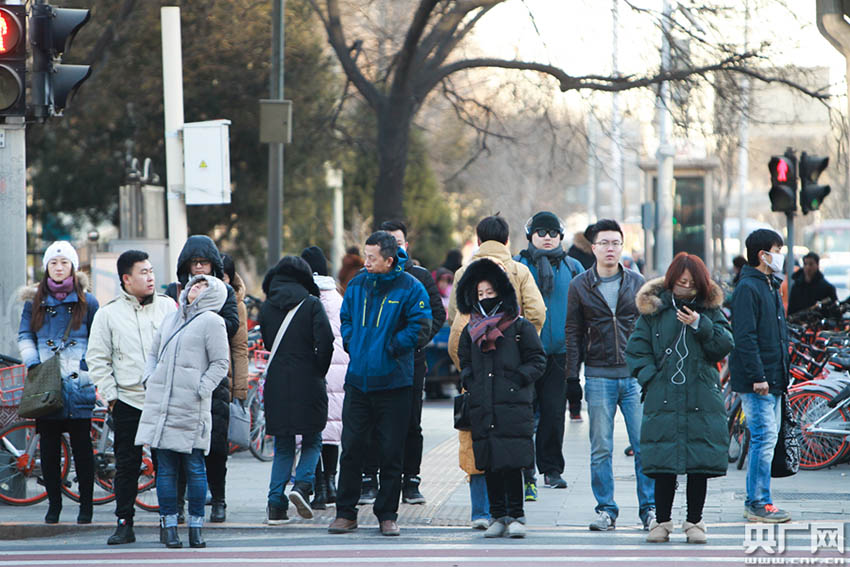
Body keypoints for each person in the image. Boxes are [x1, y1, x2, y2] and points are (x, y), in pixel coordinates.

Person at [328, 231, 432, 537]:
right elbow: (345, 318)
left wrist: (392, 346)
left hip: (395, 383)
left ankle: (387, 514)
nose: (367, 262)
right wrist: (352, 341)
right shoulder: (358, 283)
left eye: (372, 257)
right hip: (358, 381)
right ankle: (345, 513)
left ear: (389, 259)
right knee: (352, 448)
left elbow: (421, 327)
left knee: (391, 451)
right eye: (366, 255)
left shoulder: (411, 288)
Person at [625, 253, 734, 544]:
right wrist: (651, 378)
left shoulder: (710, 310)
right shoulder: (655, 310)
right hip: (663, 397)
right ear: (672, 281)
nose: (686, 287)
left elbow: (724, 345)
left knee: (698, 463)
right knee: (664, 463)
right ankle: (661, 523)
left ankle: (695, 522)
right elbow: (636, 350)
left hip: (701, 396)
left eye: (692, 283)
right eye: (681, 282)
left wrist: (701, 324)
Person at [447, 214, 545, 502]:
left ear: (478, 241)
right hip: (509, 374)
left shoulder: (464, 274)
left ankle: (487, 511)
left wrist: (468, 373)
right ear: (507, 240)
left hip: (482, 375)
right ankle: (521, 492)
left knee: (476, 438)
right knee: (513, 432)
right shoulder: (520, 271)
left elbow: (458, 326)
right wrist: (519, 346)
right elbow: (537, 312)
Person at [565, 219, 655, 531]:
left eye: (615, 243)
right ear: (593, 248)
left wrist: (649, 369)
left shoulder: (636, 281)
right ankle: (606, 509)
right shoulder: (580, 286)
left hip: (634, 377)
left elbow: (649, 329)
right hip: (598, 375)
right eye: (604, 243)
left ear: (622, 246)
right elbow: (573, 333)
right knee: (601, 447)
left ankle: (650, 510)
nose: (610, 248)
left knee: (644, 444)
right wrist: (571, 378)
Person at [87, 250, 177, 545]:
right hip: (127, 401)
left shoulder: (168, 308)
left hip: (164, 399)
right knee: (127, 465)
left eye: (151, 271)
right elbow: (98, 359)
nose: (150, 277)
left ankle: (170, 521)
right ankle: (124, 523)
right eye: (143, 272)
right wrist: (111, 398)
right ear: (126, 279)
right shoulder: (108, 314)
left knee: (167, 463)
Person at [355, 221, 447, 506]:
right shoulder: (364, 277)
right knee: (370, 422)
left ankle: (411, 480)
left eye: (398, 242)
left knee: (410, 422)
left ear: (405, 246)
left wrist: (413, 343)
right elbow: (352, 317)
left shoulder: (418, 277)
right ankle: (369, 478)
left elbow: (435, 315)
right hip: (370, 364)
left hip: (410, 363)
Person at [135, 275, 230, 548]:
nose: (195, 289)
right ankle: (169, 526)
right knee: (164, 470)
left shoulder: (212, 321)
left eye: (203, 286)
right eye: (194, 285)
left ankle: (196, 527)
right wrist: (150, 378)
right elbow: (153, 353)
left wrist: (201, 388)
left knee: (195, 467)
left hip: (191, 405)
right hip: (162, 403)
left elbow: (220, 362)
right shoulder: (172, 318)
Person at [456, 258, 546, 539]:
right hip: (484, 403)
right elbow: (464, 361)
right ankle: (497, 515)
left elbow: (538, 360)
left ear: (501, 292)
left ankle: (516, 514)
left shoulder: (519, 326)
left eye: (489, 293)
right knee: (490, 461)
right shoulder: (471, 329)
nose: (484, 298)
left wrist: (518, 379)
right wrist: (471, 382)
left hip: (513, 404)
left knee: (512, 462)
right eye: (479, 294)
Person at [18, 241, 99, 525]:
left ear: (73, 267)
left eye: (64, 262)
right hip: (46, 385)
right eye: (54, 263)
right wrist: (33, 363)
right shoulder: (34, 302)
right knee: (49, 452)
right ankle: (54, 506)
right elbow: (24, 336)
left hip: (78, 384)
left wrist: (88, 367)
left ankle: (86, 507)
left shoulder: (88, 302)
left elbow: (98, 339)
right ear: (47, 268)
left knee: (83, 449)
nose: (59, 267)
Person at [166, 235, 241, 524]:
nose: (199, 268)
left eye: (204, 262)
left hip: (214, 378)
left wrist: (205, 313)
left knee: (216, 447)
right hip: (180, 378)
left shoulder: (223, 292)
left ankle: (218, 500)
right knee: (180, 446)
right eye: (194, 263)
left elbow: (233, 327)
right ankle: (180, 505)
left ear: (213, 265)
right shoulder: (175, 291)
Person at [260, 256, 334, 523]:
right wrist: (318, 370)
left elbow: (269, 342)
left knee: (283, 446)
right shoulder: (312, 304)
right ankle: (302, 486)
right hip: (308, 380)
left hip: (277, 382)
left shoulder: (267, 306)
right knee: (313, 439)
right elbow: (326, 342)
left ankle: (275, 506)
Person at [515, 211, 585, 493]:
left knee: (555, 414)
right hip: (522, 353)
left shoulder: (573, 267)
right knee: (522, 413)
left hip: (560, 353)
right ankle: (523, 468)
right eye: (541, 232)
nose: (547, 238)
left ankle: (552, 469)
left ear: (561, 236)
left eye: (552, 233)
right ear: (530, 235)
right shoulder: (517, 266)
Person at [728, 229, 791, 523]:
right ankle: (757, 501)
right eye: (777, 250)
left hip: (773, 378)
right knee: (763, 439)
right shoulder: (748, 288)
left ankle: (760, 499)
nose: (781, 255)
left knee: (767, 438)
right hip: (759, 381)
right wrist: (758, 376)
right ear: (762, 254)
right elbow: (745, 336)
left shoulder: (769, 284)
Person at [300, 246, 349, 511]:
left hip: (314, 369)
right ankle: (331, 484)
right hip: (339, 370)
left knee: (314, 431)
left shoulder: (305, 297)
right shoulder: (338, 298)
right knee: (333, 429)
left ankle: (318, 487)